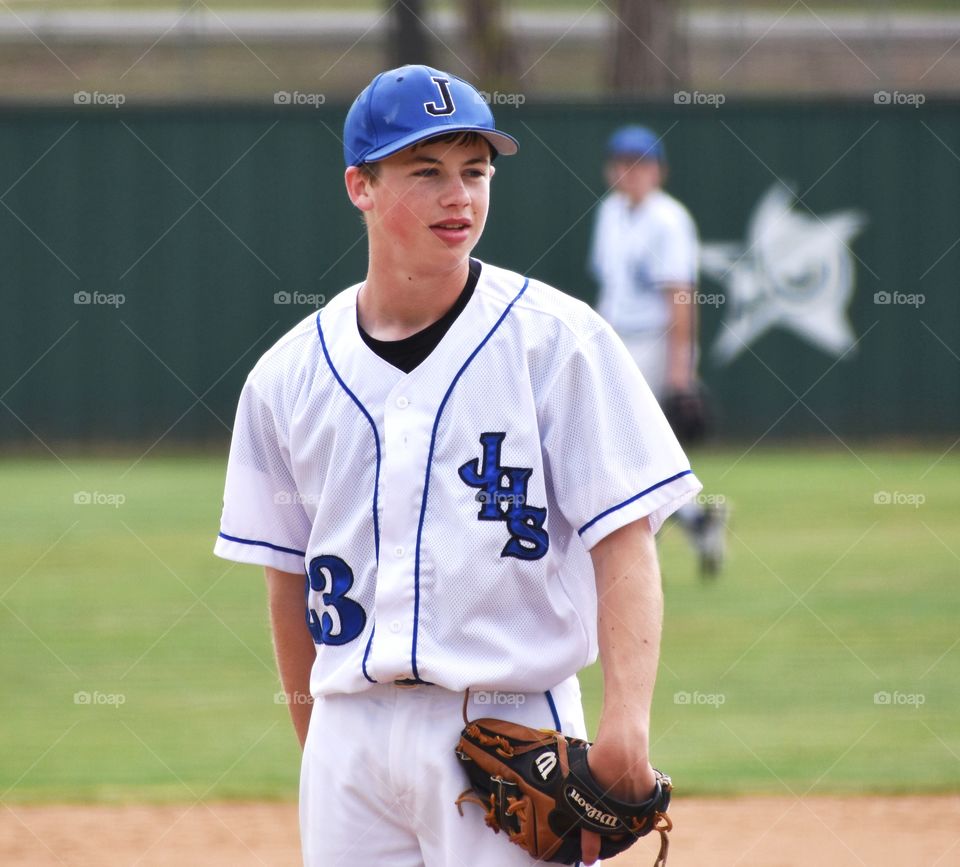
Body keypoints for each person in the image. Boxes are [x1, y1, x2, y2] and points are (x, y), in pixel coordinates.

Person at [215, 66, 701, 867]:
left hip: (509, 723)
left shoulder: (558, 342)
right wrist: (321, 745)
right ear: (359, 186)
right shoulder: (286, 374)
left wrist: (626, 727)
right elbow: (286, 579)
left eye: (476, 170)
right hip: (348, 733)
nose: (460, 196)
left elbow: (625, 540)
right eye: (427, 171)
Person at [589, 125, 728, 577]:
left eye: (640, 163)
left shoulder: (670, 219)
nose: (630, 172)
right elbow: (609, 285)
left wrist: (681, 371)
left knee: (627, 447)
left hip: (652, 342)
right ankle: (696, 521)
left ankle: (651, 531)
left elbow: (681, 296)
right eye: (622, 162)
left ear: (659, 171)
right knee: (622, 449)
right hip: (613, 339)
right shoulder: (610, 212)